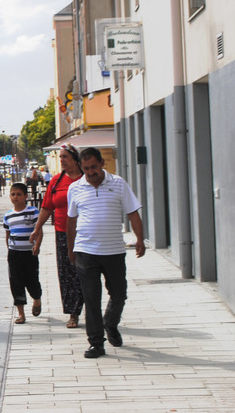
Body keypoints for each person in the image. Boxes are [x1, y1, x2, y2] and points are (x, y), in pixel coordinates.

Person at [67, 147, 146, 359]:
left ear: (102, 163)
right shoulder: (75, 188)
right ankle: (96, 343)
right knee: (91, 299)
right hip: (86, 251)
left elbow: (132, 213)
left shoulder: (118, 184)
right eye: (86, 169)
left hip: (113, 251)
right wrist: (70, 249)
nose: (90, 172)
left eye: (94, 167)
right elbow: (71, 221)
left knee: (119, 293)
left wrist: (140, 239)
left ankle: (110, 323)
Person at [29, 144, 85, 328]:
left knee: (84, 273)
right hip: (62, 233)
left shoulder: (86, 180)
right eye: (60, 157)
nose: (61, 160)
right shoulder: (56, 182)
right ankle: (73, 312)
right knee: (66, 273)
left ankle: (85, 307)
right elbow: (47, 207)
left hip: (86, 233)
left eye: (65, 157)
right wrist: (37, 228)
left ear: (75, 159)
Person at [3, 182, 42, 324]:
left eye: (19, 194)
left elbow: (39, 231)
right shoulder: (8, 216)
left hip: (29, 253)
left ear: (26, 196)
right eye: (13, 194)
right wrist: (9, 249)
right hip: (14, 254)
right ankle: (21, 314)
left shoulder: (33, 212)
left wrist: (37, 246)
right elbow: (8, 234)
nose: (16, 197)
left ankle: (37, 299)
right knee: (16, 282)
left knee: (32, 280)